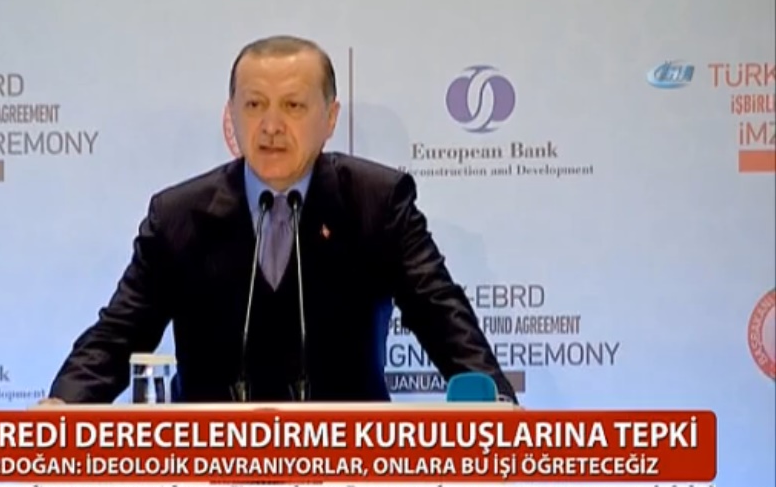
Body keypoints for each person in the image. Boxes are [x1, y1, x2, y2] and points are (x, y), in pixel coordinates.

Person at [45, 35, 517, 404]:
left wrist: (496, 405)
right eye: (254, 105)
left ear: (329, 118)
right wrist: (63, 407)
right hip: (208, 472)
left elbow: (439, 312)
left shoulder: (377, 202)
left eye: (293, 105)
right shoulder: (178, 216)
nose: (271, 126)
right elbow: (119, 333)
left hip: (347, 469)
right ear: (231, 115)